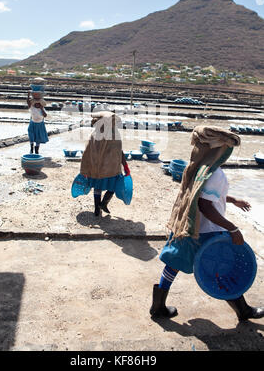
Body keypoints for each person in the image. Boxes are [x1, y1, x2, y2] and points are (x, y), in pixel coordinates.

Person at [150, 125, 264, 322]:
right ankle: (243, 310)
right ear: (219, 150)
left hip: (190, 225)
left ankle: (158, 306)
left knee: (173, 263)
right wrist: (233, 228)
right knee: (223, 267)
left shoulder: (198, 167)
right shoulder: (216, 174)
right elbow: (206, 205)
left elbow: (203, 196)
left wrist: (232, 199)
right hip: (209, 231)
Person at [79, 111, 130, 216]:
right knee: (113, 186)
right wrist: (125, 166)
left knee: (97, 188)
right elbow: (120, 152)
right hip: (111, 169)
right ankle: (103, 204)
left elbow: (87, 153)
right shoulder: (113, 134)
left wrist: (85, 168)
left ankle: (97, 209)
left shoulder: (94, 134)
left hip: (97, 169)